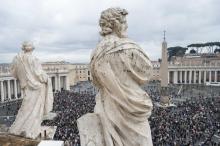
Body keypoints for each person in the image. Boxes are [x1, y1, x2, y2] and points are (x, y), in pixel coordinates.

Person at [90, 7, 153, 146]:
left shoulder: (95, 53)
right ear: (116, 24)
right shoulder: (129, 47)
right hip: (132, 111)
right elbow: (147, 72)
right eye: (124, 21)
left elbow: (95, 81)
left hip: (108, 110)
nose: (127, 25)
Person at [9, 41, 55, 139]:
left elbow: (13, 73)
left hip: (26, 86)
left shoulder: (17, 59)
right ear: (32, 48)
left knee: (26, 108)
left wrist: (23, 77)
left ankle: (18, 128)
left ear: (23, 48)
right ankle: (31, 129)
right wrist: (47, 78)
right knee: (35, 110)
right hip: (37, 88)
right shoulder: (34, 59)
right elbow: (39, 75)